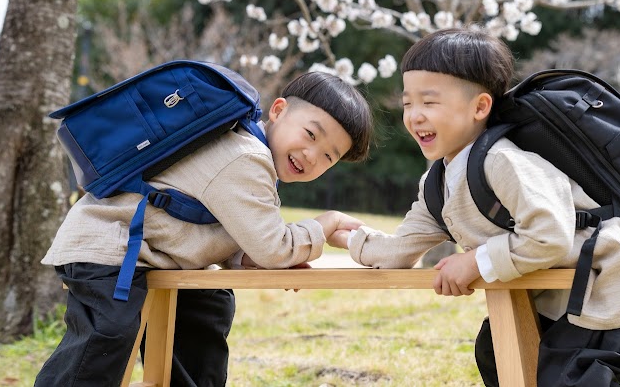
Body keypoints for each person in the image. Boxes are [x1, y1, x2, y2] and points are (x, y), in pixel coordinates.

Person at [342, 28, 620, 387]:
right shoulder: (437, 184)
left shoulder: (504, 161)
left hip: (612, 291)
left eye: (430, 102)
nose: (415, 116)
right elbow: (400, 249)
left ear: (480, 107)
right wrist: (346, 237)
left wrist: (474, 261)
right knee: (495, 356)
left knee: (561, 379)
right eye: (408, 103)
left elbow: (550, 236)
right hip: (557, 297)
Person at [35, 71, 373, 387]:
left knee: (207, 308)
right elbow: (274, 246)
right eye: (311, 135)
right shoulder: (246, 157)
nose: (312, 155)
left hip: (159, 256)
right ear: (279, 111)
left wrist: (250, 259)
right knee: (106, 338)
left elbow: (232, 232)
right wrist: (325, 225)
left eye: (329, 157)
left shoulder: (249, 155)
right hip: (111, 246)